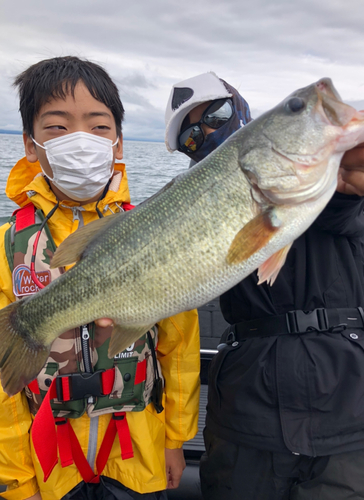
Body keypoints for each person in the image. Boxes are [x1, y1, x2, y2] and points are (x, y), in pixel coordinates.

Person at [165, 72, 364, 499]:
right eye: (191, 135)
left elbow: (339, 203)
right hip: (248, 412)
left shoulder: (322, 183)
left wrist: (345, 181)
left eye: (217, 114)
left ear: (242, 108)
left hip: (349, 408)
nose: (205, 131)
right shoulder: (187, 206)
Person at [0, 56, 200, 500]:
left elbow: (179, 344)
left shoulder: (153, 229)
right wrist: (18, 479)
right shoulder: (6, 245)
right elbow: (3, 387)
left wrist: (175, 440)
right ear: (30, 145)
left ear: (119, 142)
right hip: (47, 461)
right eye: (56, 127)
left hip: (139, 453)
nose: (80, 140)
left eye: (98, 126)